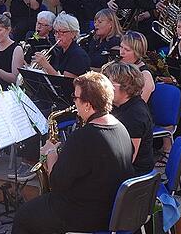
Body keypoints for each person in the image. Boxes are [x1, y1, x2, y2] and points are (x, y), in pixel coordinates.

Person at [12, 72, 134, 234]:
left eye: (76, 98)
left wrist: (51, 153)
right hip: (112, 210)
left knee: (23, 216)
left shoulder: (84, 136)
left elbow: (57, 183)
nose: (74, 102)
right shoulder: (121, 128)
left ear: (88, 105)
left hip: (85, 215)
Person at [103, 62, 155, 174]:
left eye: (110, 83)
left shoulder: (135, 115)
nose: (106, 88)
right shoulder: (119, 106)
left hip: (134, 175)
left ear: (126, 87)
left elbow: (126, 160)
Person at [34, 13, 90, 77]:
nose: (57, 36)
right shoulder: (61, 50)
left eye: (62, 32)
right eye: (56, 32)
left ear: (73, 33)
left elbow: (64, 83)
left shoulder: (78, 55)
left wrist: (46, 65)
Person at [118, 31, 157, 102]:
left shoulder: (145, 76)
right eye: (121, 47)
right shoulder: (121, 66)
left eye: (127, 50)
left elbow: (138, 105)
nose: (121, 52)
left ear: (137, 53)